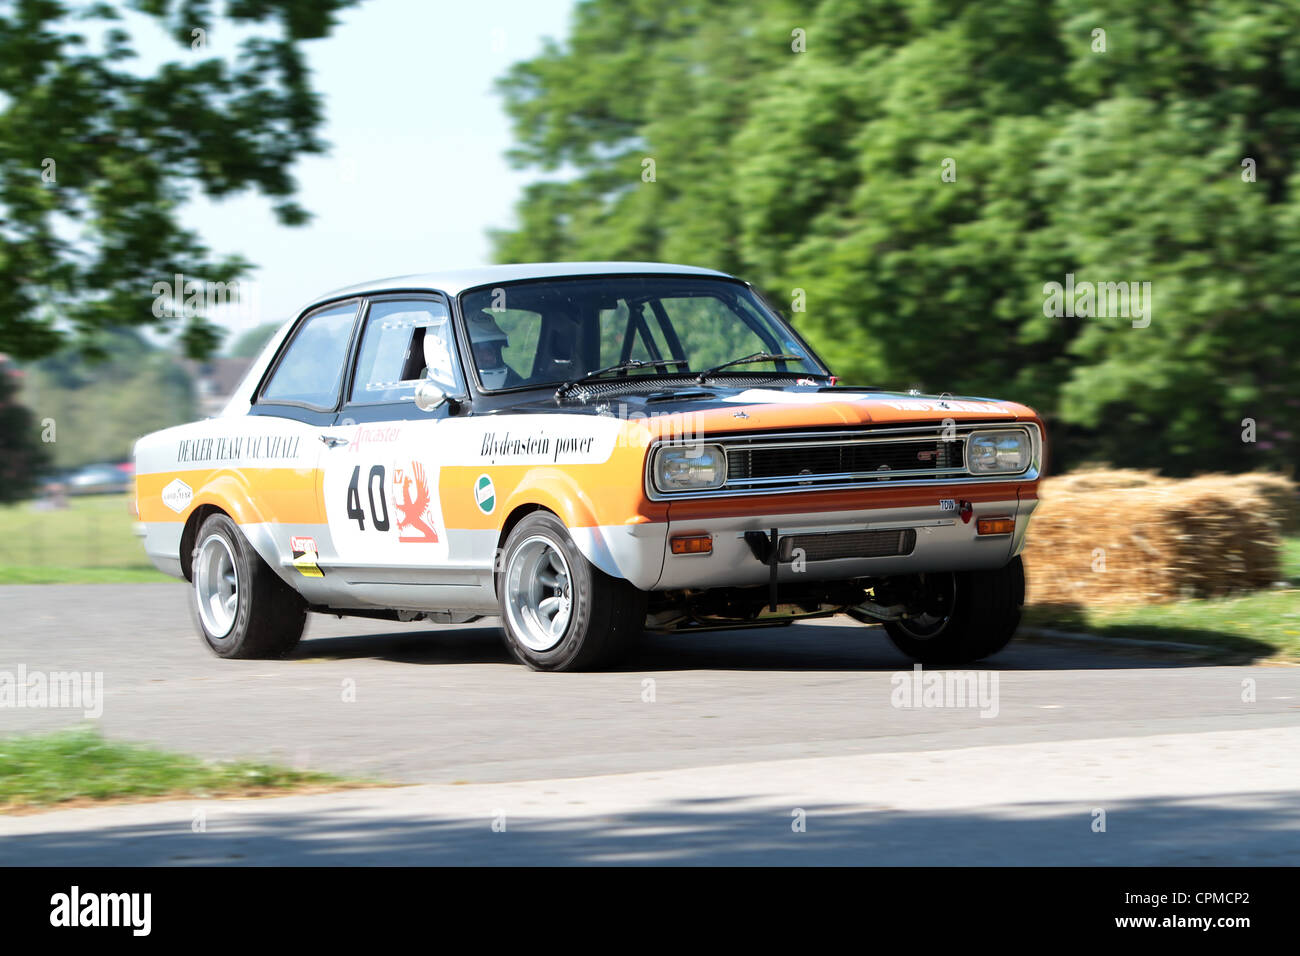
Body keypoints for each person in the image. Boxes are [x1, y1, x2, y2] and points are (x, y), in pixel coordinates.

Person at [466, 310, 523, 388]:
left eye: (492, 347)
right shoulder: (451, 388)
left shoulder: (515, 382)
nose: (488, 355)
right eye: (480, 348)